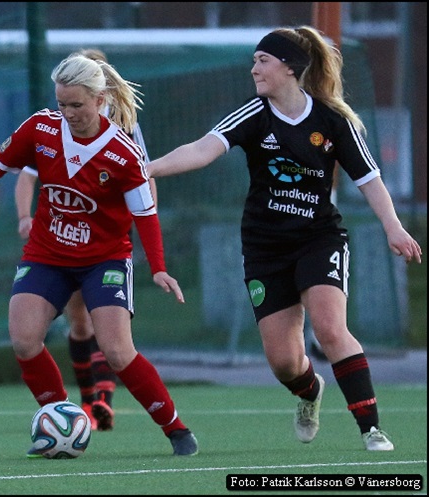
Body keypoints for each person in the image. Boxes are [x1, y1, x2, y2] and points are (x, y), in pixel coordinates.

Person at [146, 26, 422, 451]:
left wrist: (393, 226)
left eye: (263, 61)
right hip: (265, 248)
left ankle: (371, 428)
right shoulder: (253, 114)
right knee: (284, 363)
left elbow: (369, 178)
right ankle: (309, 391)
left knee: (330, 329)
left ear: (290, 68)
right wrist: (149, 168)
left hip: (318, 238)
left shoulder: (333, 120)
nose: (254, 69)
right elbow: (202, 149)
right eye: (254, 61)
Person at [0, 53, 199, 456]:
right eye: (61, 103)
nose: (67, 113)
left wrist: (158, 267)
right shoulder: (40, 128)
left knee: (117, 351)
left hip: (104, 260)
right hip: (47, 255)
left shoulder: (124, 153)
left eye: (76, 105)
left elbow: (145, 214)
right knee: (24, 340)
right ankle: (62, 421)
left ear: (100, 100)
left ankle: (176, 429)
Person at [14, 48, 156, 432]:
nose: (70, 107)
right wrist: (25, 216)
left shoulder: (123, 125)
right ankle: (89, 401)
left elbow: (145, 175)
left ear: (100, 90)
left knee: (109, 329)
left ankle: (102, 400)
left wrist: (147, 221)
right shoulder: (58, 125)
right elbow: (26, 173)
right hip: (62, 240)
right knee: (79, 324)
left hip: (106, 242)